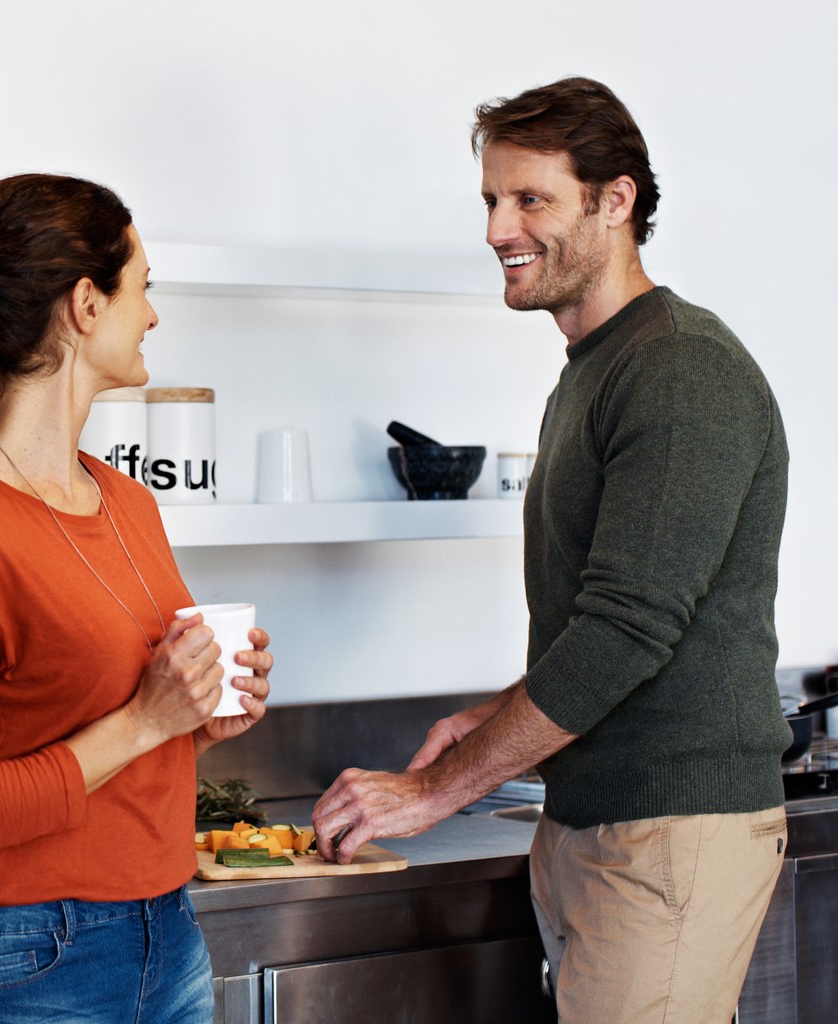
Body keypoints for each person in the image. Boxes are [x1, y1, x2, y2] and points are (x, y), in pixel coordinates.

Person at [311, 77, 790, 1024]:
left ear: (616, 202)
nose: (498, 228)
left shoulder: (680, 368)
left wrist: (438, 789)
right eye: (491, 200)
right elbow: (614, 617)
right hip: (599, 825)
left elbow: (628, 631)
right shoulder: (599, 368)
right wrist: (489, 719)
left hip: (668, 834)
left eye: (530, 199)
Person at [0, 173, 272, 1024]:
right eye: (142, 287)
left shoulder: (128, 504)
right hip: (29, 964)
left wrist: (197, 717)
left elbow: (111, 725)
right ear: (86, 303)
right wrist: (146, 722)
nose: (152, 314)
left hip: (170, 937)